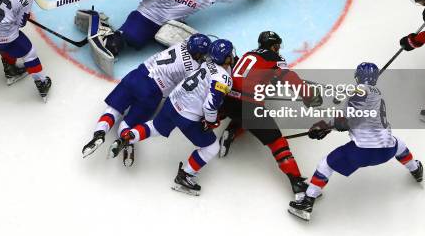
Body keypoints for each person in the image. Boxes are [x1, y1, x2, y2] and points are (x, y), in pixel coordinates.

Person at [287, 62, 424, 221]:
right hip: (387, 150)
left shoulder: (361, 91)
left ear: (358, 76)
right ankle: (416, 170)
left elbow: (348, 119)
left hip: (363, 152)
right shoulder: (378, 94)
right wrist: (328, 125)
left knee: (325, 165)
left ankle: (307, 202)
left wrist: (325, 126)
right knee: (398, 143)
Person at [107, 39, 236, 196]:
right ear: (227, 58)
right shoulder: (223, 78)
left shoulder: (206, 63)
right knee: (211, 147)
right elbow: (210, 105)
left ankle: (128, 136)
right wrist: (210, 121)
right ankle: (186, 176)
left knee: (155, 127)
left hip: (172, 101)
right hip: (188, 115)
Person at [218, 31, 323, 198]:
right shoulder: (275, 59)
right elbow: (291, 79)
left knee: (246, 115)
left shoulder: (249, 53)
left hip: (226, 100)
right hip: (249, 105)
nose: (279, 49)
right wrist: (309, 96)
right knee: (277, 143)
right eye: (277, 46)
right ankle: (298, 185)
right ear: (273, 45)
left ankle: (230, 132)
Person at [81, 33, 211, 166]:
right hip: (153, 91)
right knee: (128, 124)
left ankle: (99, 133)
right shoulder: (194, 68)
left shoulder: (181, 44)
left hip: (138, 75)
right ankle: (126, 142)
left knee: (113, 109)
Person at [86, 0, 268, 56]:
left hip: (172, 25)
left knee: (190, 55)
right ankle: (101, 26)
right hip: (147, 16)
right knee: (126, 43)